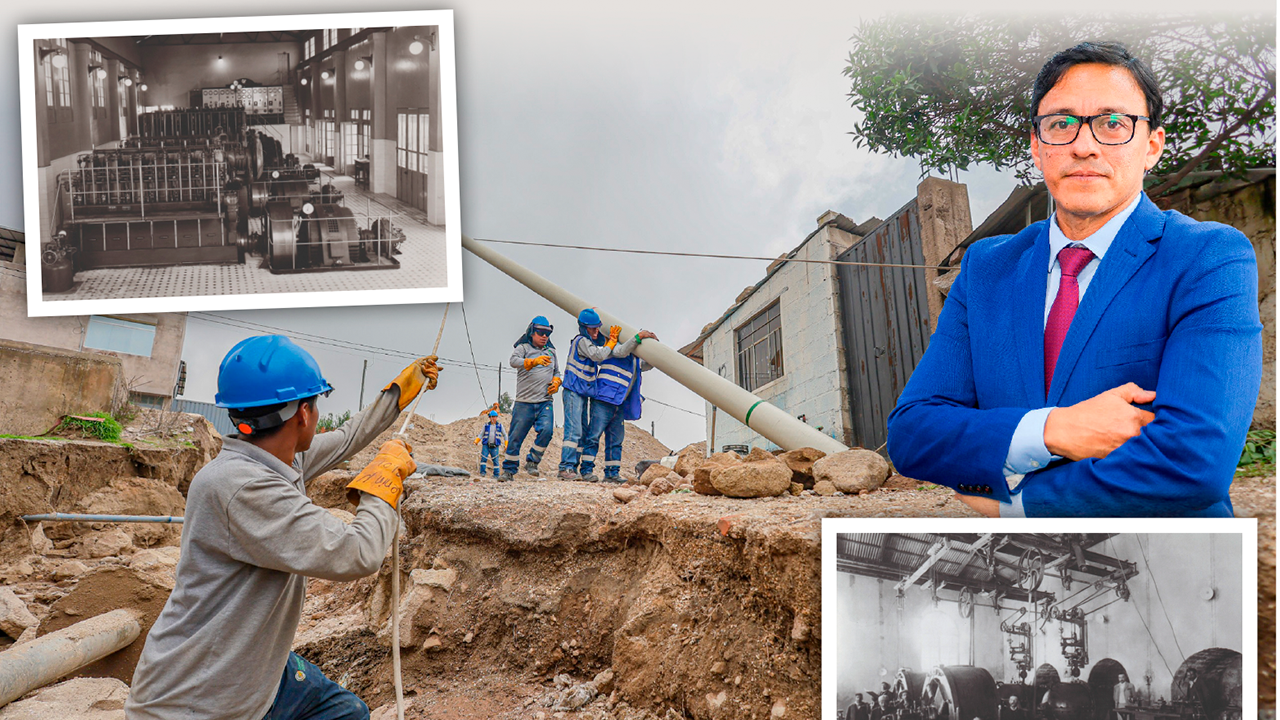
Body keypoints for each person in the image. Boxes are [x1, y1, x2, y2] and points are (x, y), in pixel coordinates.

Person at [886, 41, 1262, 518]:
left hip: (1167, 566)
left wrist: (1018, 505)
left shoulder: (1206, 256)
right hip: (1015, 576)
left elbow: (1196, 463)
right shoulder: (987, 267)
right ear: (1037, 148)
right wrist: (1053, 430)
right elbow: (913, 432)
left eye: (1113, 124)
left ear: (1151, 146)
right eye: (1061, 124)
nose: (1084, 146)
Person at [125, 335, 439, 720]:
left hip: (253, 670)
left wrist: (397, 393)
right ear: (304, 414)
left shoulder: (270, 458)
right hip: (199, 702)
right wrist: (383, 480)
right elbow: (359, 553)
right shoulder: (243, 487)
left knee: (348, 714)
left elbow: (344, 440)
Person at [557, 309, 656, 481]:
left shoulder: (634, 361)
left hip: (615, 401)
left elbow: (647, 365)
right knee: (588, 435)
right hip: (599, 399)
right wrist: (635, 338)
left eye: (598, 329)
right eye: (593, 329)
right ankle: (577, 468)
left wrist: (655, 349)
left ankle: (611, 474)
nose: (596, 332)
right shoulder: (608, 348)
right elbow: (617, 352)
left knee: (613, 440)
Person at [501, 316, 561, 481]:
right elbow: (513, 361)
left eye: (547, 334)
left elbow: (556, 371)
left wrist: (557, 381)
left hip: (544, 401)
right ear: (532, 333)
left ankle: (532, 461)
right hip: (524, 403)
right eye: (541, 333)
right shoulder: (523, 348)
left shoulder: (551, 352)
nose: (544, 337)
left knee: (547, 431)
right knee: (515, 438)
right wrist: (532, 362)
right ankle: (508, 471)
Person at [474, 410, 505, 478]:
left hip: (495, 446)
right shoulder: (486, 425)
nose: (493, 418)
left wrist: (506, 443)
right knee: (483, 459)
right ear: (489, 418)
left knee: (496, 461)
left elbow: (505, 435)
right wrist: (477, 440)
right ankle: (482, 473)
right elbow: (481, 434)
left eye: (494, 417)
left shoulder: (500, 426)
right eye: (491, 417)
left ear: (496, 417)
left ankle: (496, 475)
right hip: (486, 445)